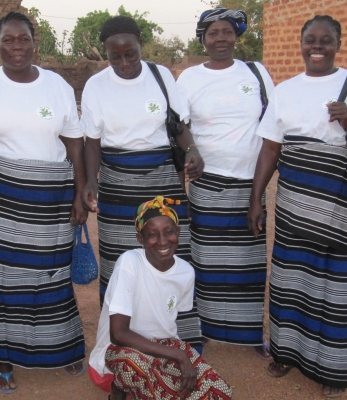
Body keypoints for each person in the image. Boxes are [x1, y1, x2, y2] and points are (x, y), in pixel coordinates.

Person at [247, 15, 347, 398]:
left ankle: (332, 368)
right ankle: (286, 354)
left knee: (336, 286)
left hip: (337, 206)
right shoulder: (286, 90)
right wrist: (255, 200)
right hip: (293, 206)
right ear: (301, 44)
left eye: (326, 40)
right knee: (289, 281)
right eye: (310, 40)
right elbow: (271, 148)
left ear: (338, 44)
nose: (317, 46)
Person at [0, 11, 87, 394]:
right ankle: (5, 359)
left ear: (34, 42)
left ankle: (63, 348)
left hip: (50, 202)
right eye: (8, 40)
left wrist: (80, 192)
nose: (16, 47)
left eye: (23, 39)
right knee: (2, 281)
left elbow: (75, 144)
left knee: (53, 277)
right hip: (2, 204)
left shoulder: (57, 86)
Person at [81, 16, 204, 349]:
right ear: (106, 54)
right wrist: (91, 180)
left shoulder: (161, 76)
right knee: (119, 261)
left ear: (140, 45)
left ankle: (177, 341)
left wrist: (193, 150)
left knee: (167, 256)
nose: (124, 63)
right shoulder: (96, 86)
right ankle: (121, 344)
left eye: (130, 54)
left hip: (162, 180)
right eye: (115, 57)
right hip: (117, 184)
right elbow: (92, 142)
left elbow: (178, 126)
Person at [176, 6, 275, 359]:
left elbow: (272, 127)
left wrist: (257, 195)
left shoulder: (256, 73)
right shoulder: (189, 78)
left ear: (237, 37)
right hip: (207, 185)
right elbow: (178, 124)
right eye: (213, 33)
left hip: (250, 185)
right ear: (202, 39)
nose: (221, 38)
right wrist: (192, 151)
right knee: (205, 262)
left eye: (227, 32)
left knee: (248, 264)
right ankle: (201, 331)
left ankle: (249, 335)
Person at [89, 196, 233, 400]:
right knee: (135, 368)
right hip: (120, 351)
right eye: (152, 235)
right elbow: (118, 334)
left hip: (165, 347)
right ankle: (118, 392)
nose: (163, 241)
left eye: (169, 232)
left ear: (178, 232)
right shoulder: (129, 263)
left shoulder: (186, 272)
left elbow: (169, 319)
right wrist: (179, 356)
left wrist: (178, 354)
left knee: (220, 392)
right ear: (140, 238)